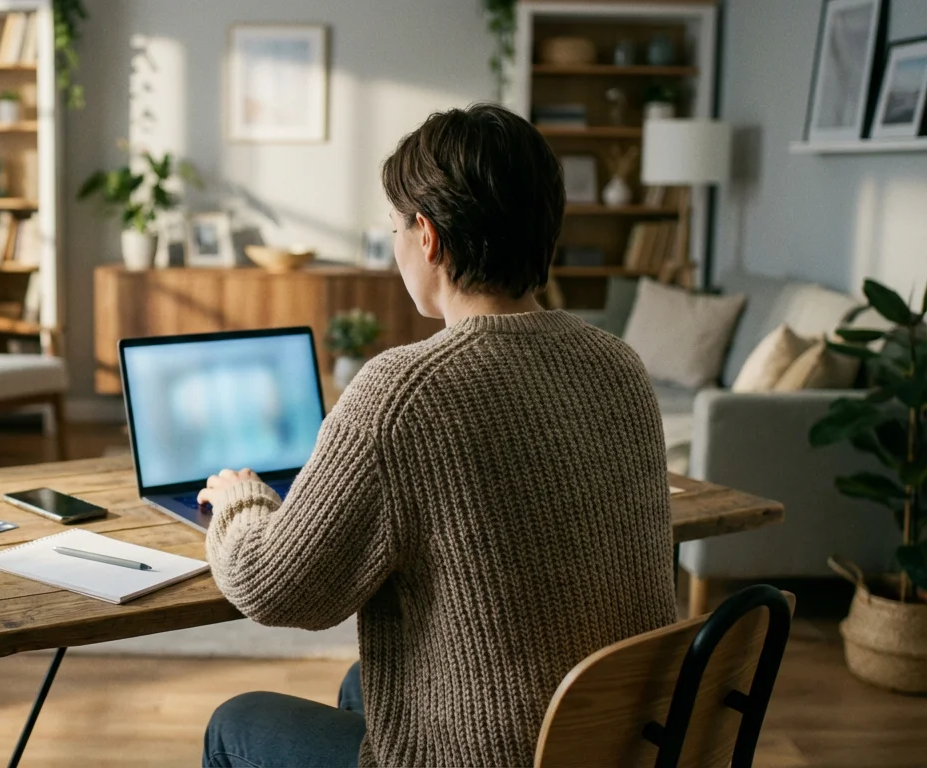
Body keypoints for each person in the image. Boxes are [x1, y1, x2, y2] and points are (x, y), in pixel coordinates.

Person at [196, 104, 676, 767]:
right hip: (612, 739)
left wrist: (238, 501)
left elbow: (274, 587)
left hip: (496, 755)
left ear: (427, 236)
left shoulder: (402, 395)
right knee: (363, 685)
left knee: (235, 723)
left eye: (394, 226)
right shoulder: (618, 364)